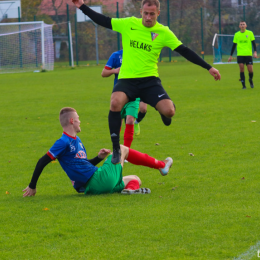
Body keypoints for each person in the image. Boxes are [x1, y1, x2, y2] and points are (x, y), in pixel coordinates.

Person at [72, 0, 221, 164]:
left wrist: (208, 67)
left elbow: (184, 51)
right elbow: (104, 21)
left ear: (158, 13)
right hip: (127, 79)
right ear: (141, 11)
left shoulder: (163, 32)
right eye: (145, 13)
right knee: (115, 103)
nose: (148, 17)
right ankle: (116, 149)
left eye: (152, 14)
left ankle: (162, 110)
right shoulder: (129, 24)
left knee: (169, 112)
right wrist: (81, 6)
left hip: (149, 81)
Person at [23, 107, 173, 197]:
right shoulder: (63, 141)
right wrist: (32, 186)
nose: (80, 121)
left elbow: (82, 164)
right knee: (121, 148)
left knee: (135, 178)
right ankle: (161, 165)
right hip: (96, 181)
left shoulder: (77, 140)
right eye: (78, 118)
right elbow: (42, 161)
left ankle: (131, 191)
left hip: (93, 187)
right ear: (71, 121)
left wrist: (99, 157)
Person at [101, 49, 146, 147]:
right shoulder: (116, 55)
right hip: (119, 95)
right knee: (118, 122)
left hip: (134, 94)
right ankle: (117, 149)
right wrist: (114, 70)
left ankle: (126, 151)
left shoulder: (138, 55)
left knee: (129, 120)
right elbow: (103, 73)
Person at [228, 21, 257, 89]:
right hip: (240, 54)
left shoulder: (250, 33)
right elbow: (234, 45)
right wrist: (230, 56)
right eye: (241, 24)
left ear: (246, 25)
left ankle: (250, 79)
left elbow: (253, 43)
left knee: (250, 70)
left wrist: (255, 52)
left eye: (243, 24)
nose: (242, 25)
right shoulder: (236, 34)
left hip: (248, 54)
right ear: (239, 26)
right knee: (241, 69)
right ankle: (243, 86)